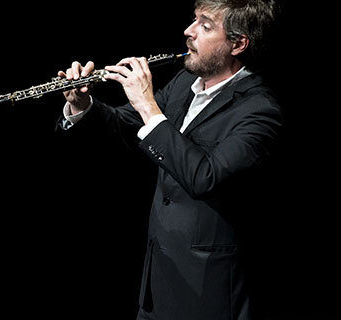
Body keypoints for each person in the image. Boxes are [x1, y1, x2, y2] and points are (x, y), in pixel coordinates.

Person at [56, 1, 281, 319]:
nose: (188, 31)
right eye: (194, 20)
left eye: (205, 26)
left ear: (239, 43)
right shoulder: (183, 86)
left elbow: (205, 176)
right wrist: (83, 102)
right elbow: (129, 126)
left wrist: (147, 103)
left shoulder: (259, 111)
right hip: (158, 282)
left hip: (208, 292)